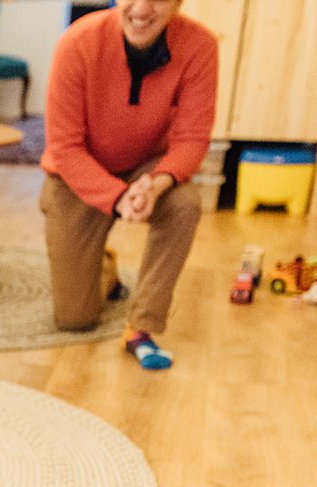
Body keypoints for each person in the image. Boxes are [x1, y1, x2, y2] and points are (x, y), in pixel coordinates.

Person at [39, 0, 217, 370]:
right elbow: (65, 146)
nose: (141, 9)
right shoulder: (77, 42)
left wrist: (155, 183)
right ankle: (105, 267)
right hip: (77, 175)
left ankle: (142, 326)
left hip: (148, 169)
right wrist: (116, 197)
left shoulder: (200, 46)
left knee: (185, 203)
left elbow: (192, 139)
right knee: (74, 319)